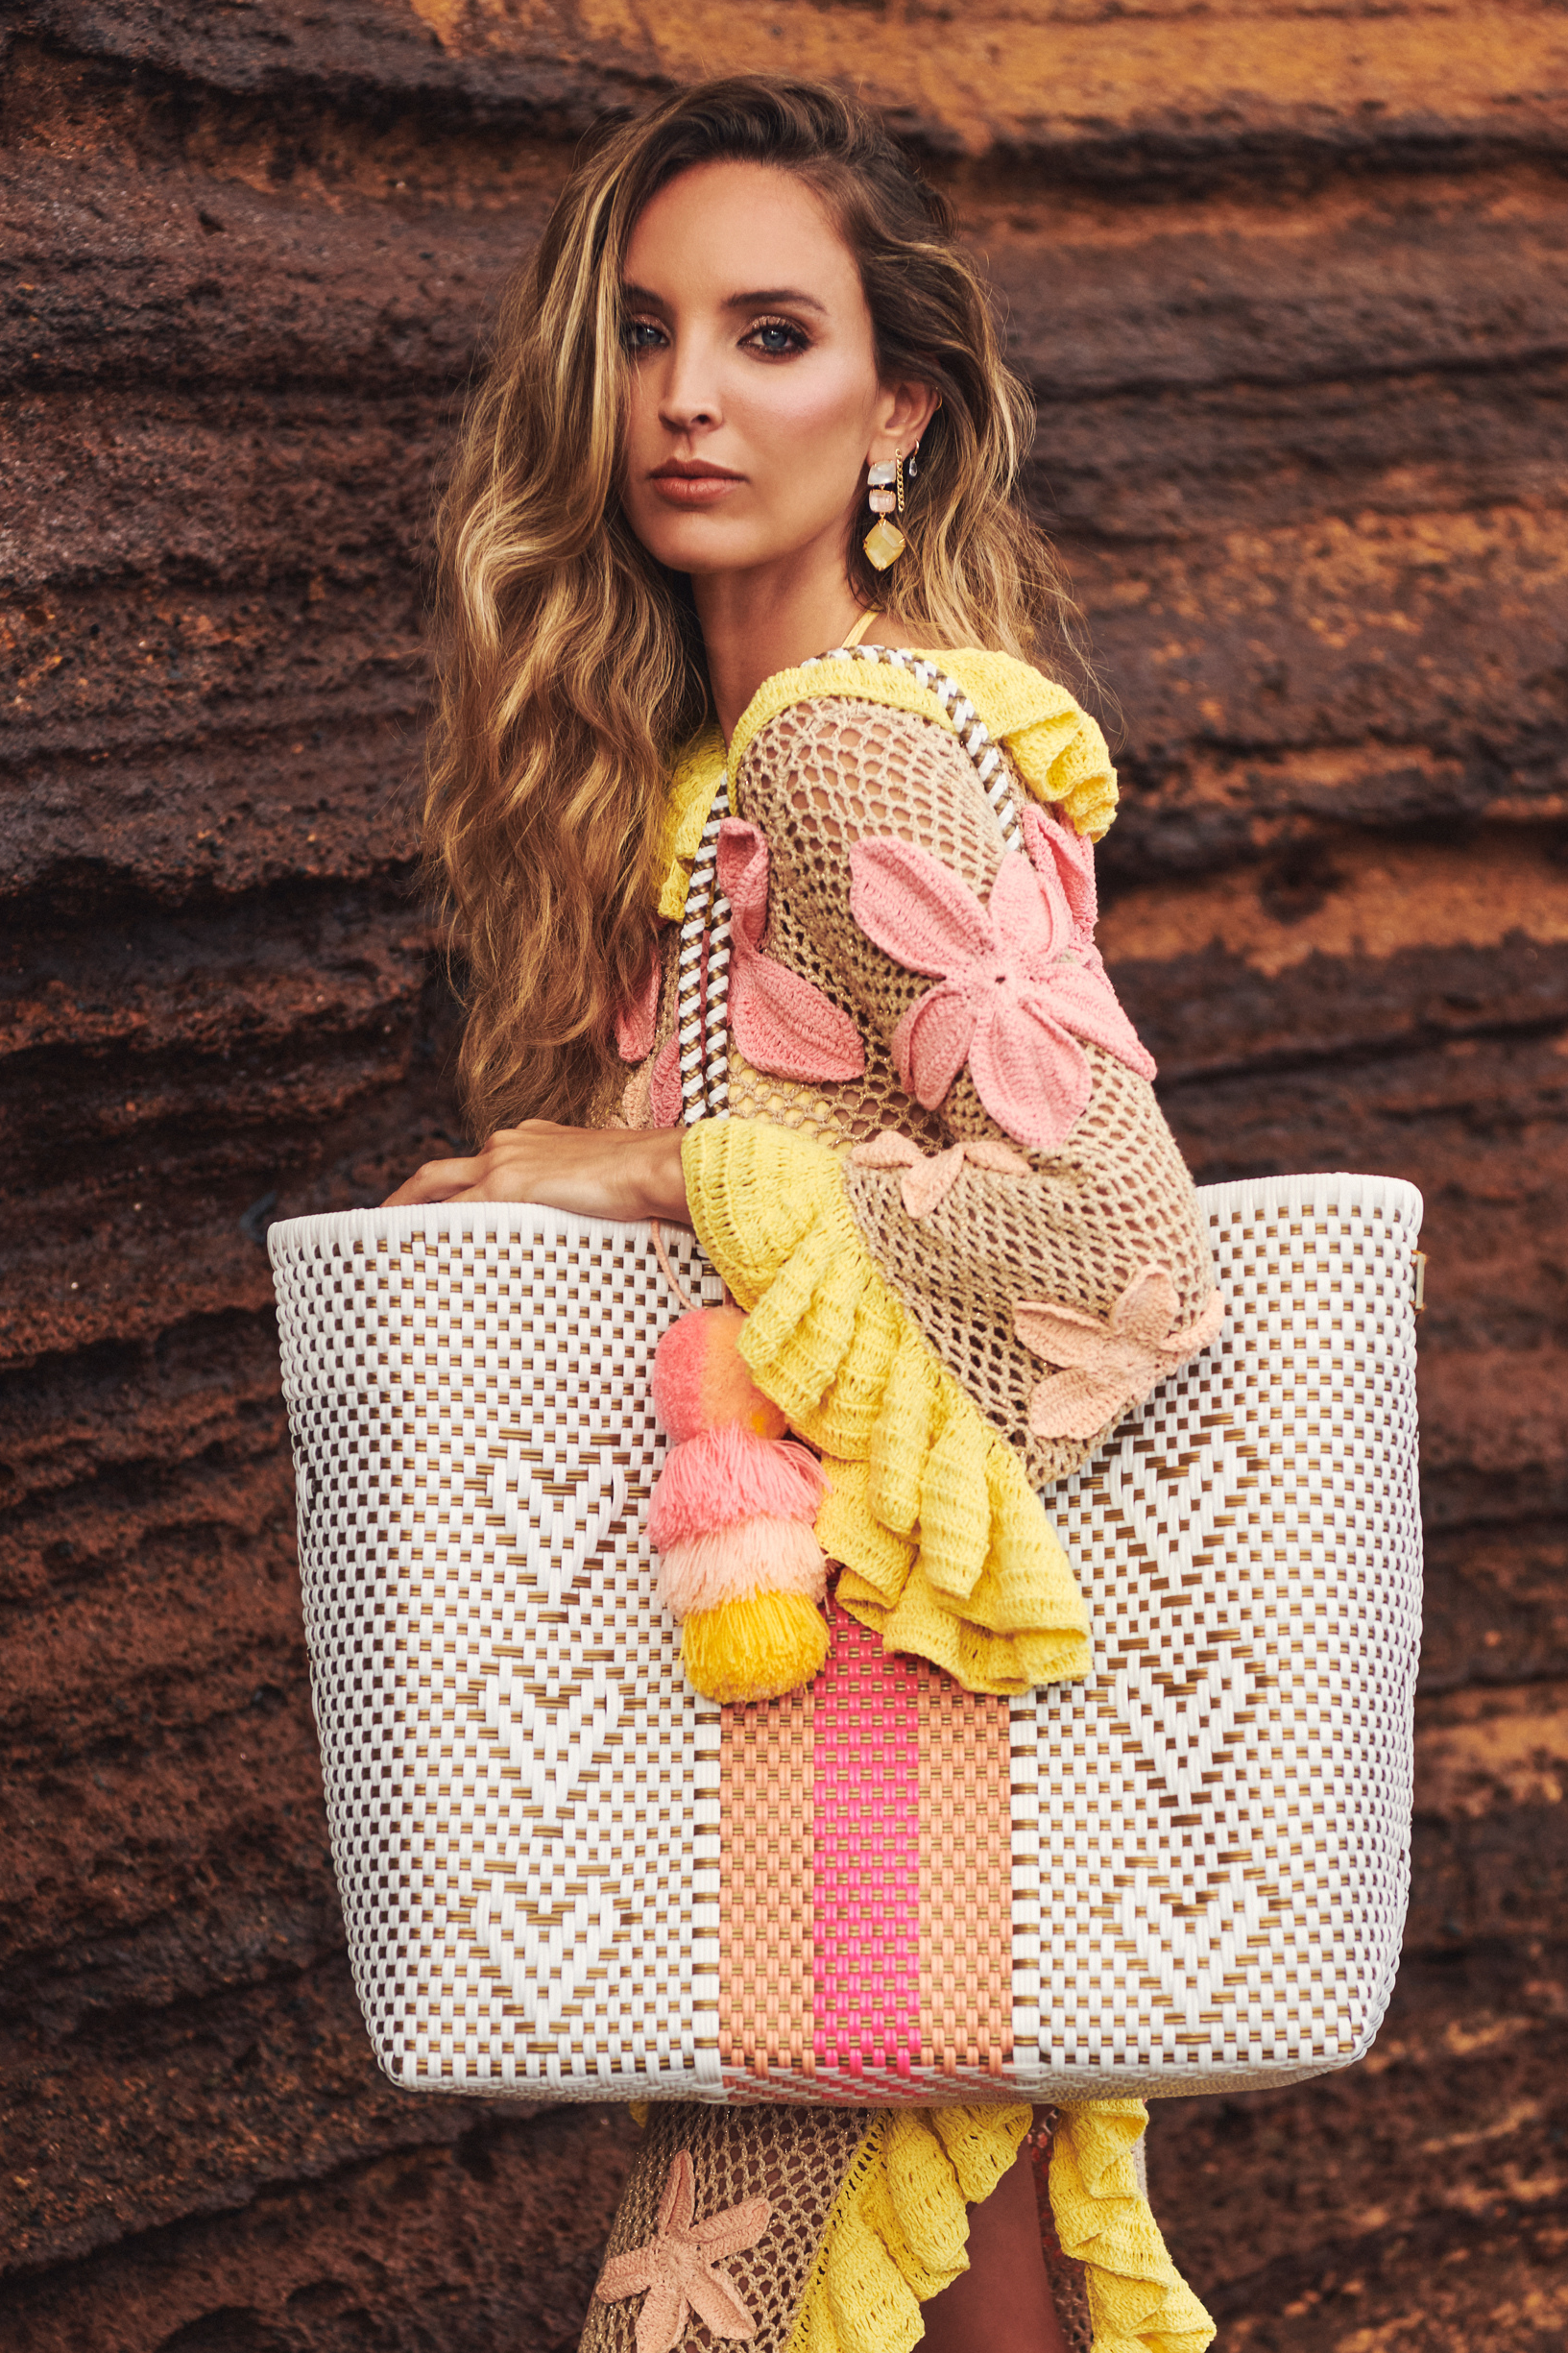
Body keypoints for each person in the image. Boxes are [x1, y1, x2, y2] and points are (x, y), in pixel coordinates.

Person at [388, 77, 1218, 2353]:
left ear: (902, 412)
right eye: (645, 333)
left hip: (902, 1749)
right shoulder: (687, 792)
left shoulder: (850, 746)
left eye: (770, 334)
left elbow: (1116, 1231)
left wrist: (649, 1162)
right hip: (834, 1743)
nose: (682, 398)